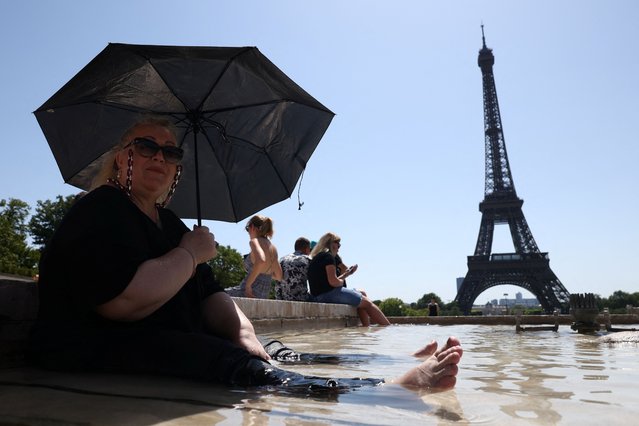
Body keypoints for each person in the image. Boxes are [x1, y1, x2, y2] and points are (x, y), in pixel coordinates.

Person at [28, 117, 462, 391]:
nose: (159, 156)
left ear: (177, 168)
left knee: (266, 347)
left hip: (156, 335)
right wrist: (190, 254)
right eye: (146, 147)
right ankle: (381, 389)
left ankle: (384, 361)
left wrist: (244, 334)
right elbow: (122, 303)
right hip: (95, 344)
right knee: (228, 361)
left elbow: (212, 297)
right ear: (123, 156)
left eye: (171, 152)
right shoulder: (101, 209)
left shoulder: (171, 224)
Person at [308, 233, 391, 326]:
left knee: (362, 295)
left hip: (318, 296)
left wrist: (346, 274)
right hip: (327, 295)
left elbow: (329, 281)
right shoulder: (329, 257)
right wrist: (341, 282)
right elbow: (334, 282)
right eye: (338, 244)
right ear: (331, 243)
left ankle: (366, 328)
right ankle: (388, 327)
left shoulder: (317, 257)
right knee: (368, 303)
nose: (339, 248)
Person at [226, 215, 283, 299]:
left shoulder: (254, 241)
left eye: (247, 228)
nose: (248, 232)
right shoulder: (273, 248)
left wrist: (248, 285)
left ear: (252, 227)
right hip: (263, 296)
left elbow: (261, 260)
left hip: (247, 292)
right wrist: (262, 274)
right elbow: (279, 276)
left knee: (214, 295)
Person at [276, 237, 312, 301]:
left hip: (283, 299)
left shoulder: (282, 260)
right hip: (301, 299)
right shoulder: (307, 259)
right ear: (307, 249)